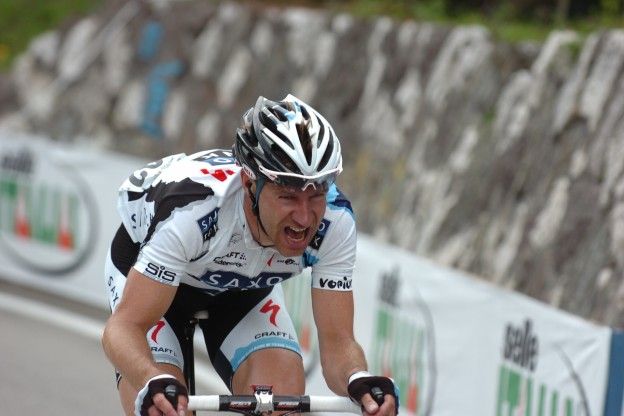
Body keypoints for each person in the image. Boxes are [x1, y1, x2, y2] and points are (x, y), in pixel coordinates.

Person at [101, 94, 399, 416]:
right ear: (249, 183)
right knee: (165, 409)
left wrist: (358, 378)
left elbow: (339, 344)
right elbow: (123, 328)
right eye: (288, 196)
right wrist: (151, 378)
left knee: (281, 400)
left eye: (316, 195)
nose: (304, 218)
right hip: (152, 281)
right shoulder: (192, 211)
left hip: (242, 291)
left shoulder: (335, 222)